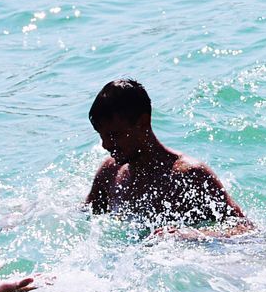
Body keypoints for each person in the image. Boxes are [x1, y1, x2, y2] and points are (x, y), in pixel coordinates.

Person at [85, 78, 251, 235]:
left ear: (143, 122)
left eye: (114, 135)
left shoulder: (190, 175)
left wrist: (189, 235)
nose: (105, 145)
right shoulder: (110, 173)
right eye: (102, 135)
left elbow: (245, 229)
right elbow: (84, 217)